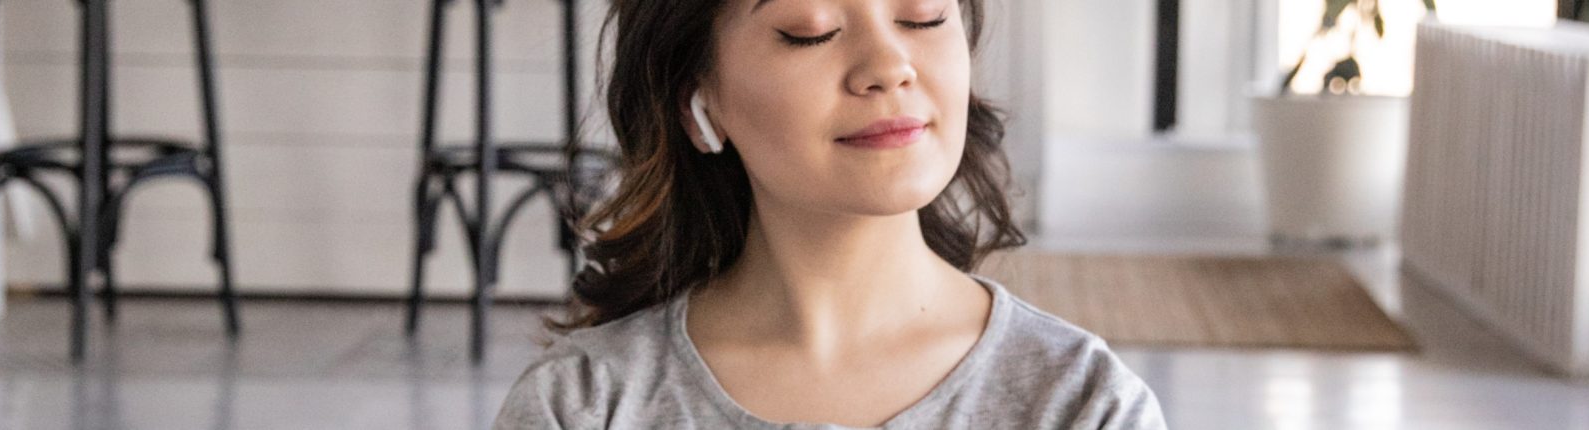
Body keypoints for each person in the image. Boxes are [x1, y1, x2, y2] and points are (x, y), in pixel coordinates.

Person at [495, 0, 1167, 428]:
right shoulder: (582, 406)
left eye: (924, 17)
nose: (888, 65)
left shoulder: (1082, 403)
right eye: (807, 32)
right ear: (699, 100)